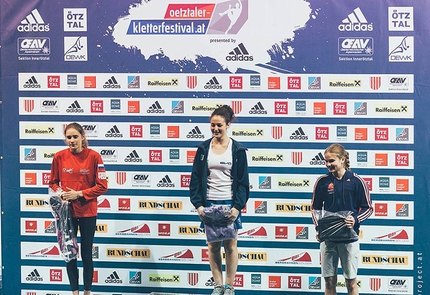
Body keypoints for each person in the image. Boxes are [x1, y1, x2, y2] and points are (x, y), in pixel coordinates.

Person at [189, 105, 249, 295]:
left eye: (219, 125)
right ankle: (218, 285)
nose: (215, 129)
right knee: (213, 246)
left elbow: (243, 183)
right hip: (209, 204)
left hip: (229, 204)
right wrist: (198, 206)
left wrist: (237, 207)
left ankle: (229, 286)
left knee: (231, 245)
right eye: (212, 125)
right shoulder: (203, 149)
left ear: (228, 125)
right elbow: (195, 179)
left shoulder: (237, 150)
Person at [49, 122, 108, 295]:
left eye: (75, 136)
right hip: (67, 214)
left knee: (87, 256)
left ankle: (87, 292)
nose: (72, 140)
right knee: (70, 254)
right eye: (69, 137)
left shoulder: (94, 157)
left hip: (88, 212)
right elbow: (52, 183)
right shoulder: (59, 157)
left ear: (83, 136)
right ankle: (74, 292)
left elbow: (102, 186)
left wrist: (79, 194)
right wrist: (60, 193)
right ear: (65, 139)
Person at [311, 143, 373, 295]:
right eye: (326, 161)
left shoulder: (357, 181)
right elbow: (315, 208)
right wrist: (318, 229)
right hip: (328, 239)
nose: (328, 164)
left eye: (331, 161)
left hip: (349, 239)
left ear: (342, 159)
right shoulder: (322, 181)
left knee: (351, 282)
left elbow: (368, 208)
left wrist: (355, 220)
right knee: (329, 281)